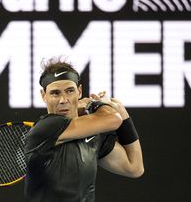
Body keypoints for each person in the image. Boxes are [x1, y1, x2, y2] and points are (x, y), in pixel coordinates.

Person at [24, 57, 144, 202]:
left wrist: (124, 115)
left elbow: (135, 167)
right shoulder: (46, 128)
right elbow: (113, 119)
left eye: (69, 91)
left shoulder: (93, 134)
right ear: (44, 96)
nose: (63, 100)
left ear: (79, 91)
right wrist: (94, 104)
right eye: (55, 93)